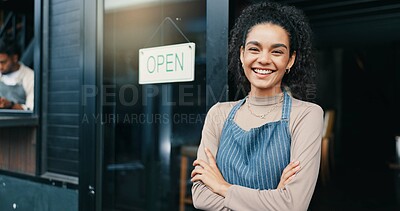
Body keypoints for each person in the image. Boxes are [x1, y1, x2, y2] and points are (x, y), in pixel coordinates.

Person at [190, 1, 323, 210]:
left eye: (277, 52)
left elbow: (293, 205)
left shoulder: (307, 115)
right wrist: (273, 199)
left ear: (290, 60)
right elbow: (201, 198)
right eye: (254, 49)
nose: (263, 59)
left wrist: (222, 187)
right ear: (242, 54)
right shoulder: (218, 114)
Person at [0, 39, 34, 110]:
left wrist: (11, 105)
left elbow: (31, 110)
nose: (0, 67)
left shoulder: (30, 77)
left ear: (15, 58)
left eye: (3, 62)